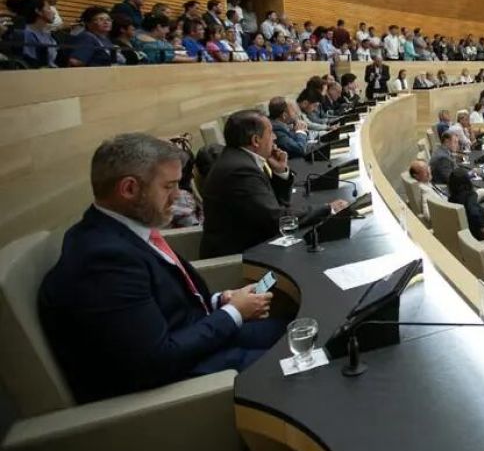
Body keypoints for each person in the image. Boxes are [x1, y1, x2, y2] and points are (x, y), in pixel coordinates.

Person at [38, 133, 281, 403]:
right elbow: (156, 360)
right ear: (129, 189)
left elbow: (166, 305)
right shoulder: (103, 260)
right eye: (169, 186)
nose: (178, 196)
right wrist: (234, 312)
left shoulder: (124, 228)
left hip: (197, 336)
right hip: (184, 380)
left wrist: (220, 301)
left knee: (302, 330)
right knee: (308, 361)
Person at [200, 110, 348, 258]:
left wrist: (280, 172)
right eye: (270, 133)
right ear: (256, 140)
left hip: (251, 241)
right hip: (238, 256)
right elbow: (276, 219)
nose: (275, 138)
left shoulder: (239, 158)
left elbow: (275, 205)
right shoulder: (240, 170)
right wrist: (327, 209)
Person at [5, 0, 58, 67]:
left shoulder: (49, 35)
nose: (54, 12)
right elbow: (31, 64)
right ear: (38, 11)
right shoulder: (26, 34)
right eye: (48, 8)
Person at [448, 167, 484, 240]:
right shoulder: (470, 196)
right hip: (481, 239)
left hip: (466, 238)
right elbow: (474, 213)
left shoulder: (451, 198)